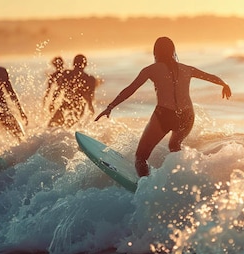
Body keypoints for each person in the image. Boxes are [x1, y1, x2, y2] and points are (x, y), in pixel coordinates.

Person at [95, 37, 232, 177]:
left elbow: (130, 89)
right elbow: (210, 76)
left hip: (165, 115)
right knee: (174, 147)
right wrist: (224, 84)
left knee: (141, 157)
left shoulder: (150, 70)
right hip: (187, 115)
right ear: (173, 51)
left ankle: (145, 185)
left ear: (156, 52)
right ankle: (187, 178)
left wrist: (111, 106)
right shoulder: (187, 69)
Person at [47, 54, 97, 127]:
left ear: (73, 64)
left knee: (52, 126)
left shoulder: (67, 74)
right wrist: (90, 107)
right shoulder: (90, 79)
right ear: (85, 64)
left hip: (65, 105)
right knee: (68, 128)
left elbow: (59, 89)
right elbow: (90, 97)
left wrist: (53, 102)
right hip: (79, 108)